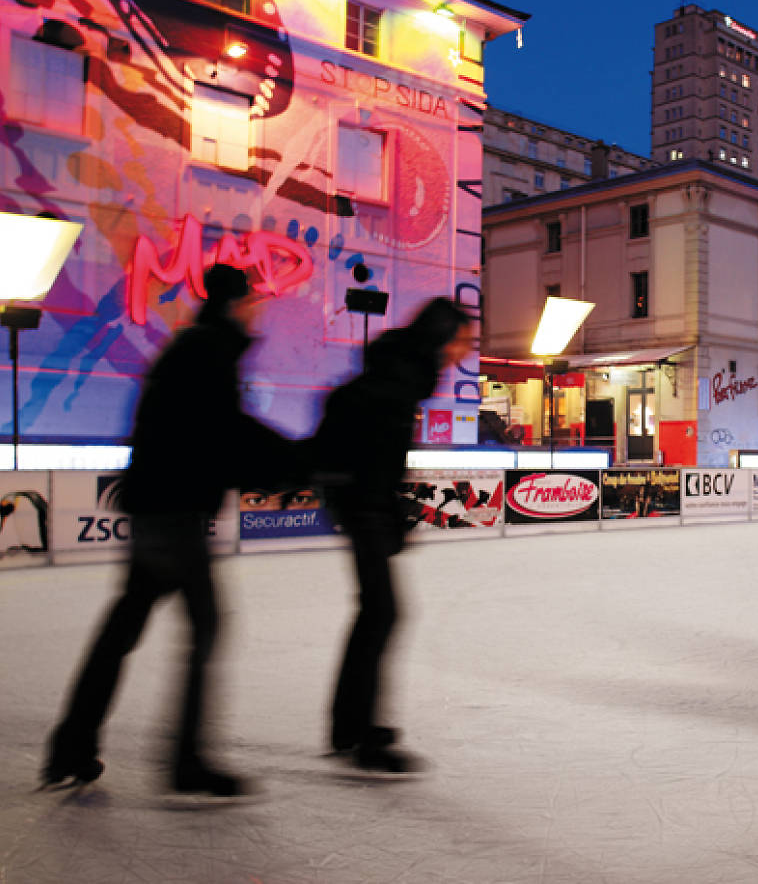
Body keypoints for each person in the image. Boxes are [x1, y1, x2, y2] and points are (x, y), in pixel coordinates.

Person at [44, 265, 296, 797]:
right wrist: (294, 460)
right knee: (203, 627)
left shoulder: (194, 348)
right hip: (173, 512)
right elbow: (222, 433)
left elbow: (212, 432)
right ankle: (186, 762)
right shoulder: (209, 351)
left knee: (123, 630)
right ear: (236, 304)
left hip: (158, 506)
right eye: (252, 301)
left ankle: (71, 743)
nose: (258, 310)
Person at [312, 298, 473, 775]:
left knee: (375, 613)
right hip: (362, 504)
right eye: (463, 340)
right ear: (441, 337)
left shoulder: (403, 373)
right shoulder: (400, 378)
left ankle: (349, 726)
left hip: (363, 502)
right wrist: (386, 514)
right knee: (382, 612)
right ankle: (361, 734)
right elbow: (374, 456)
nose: (464, 352)